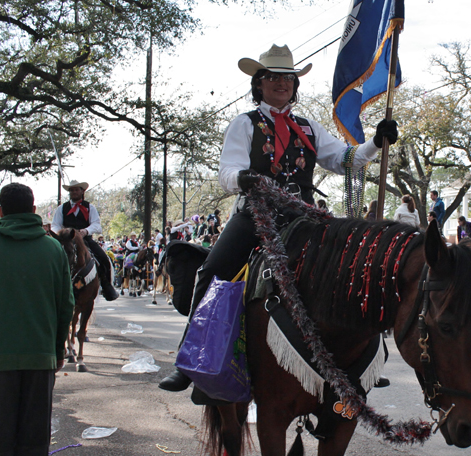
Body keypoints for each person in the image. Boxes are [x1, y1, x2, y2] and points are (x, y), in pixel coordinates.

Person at [159, 44, 398, 392]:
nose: (281, 83)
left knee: (349, 263)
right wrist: (242, 179)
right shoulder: (244, 124)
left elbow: (346, 160)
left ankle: (364, 357)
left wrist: (375, 142)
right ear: (259, 84)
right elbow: (228, 170)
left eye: (287, 78)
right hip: (256, 214)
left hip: (304, 217)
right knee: (213, 271)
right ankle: (190, 357)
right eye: (272, 77)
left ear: (294, 85)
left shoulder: (309, 127)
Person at [0, 184, 74, 456]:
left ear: (2, 211)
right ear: (34, 208)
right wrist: (56, 351)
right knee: (33, 436)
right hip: (40, 359)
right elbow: (66, 305)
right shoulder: (52, 250)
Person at [50, 180, 119, 301]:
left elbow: (96, 225)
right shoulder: (62, 208)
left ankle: (106, 286)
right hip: (67, 240)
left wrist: (85, 231)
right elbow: (55, 225)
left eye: (76, 189)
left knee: (103, 259)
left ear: (82, 191)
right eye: (72, 190)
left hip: (85, 239)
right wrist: (62, 232)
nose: (74, 192)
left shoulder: (89, 207)